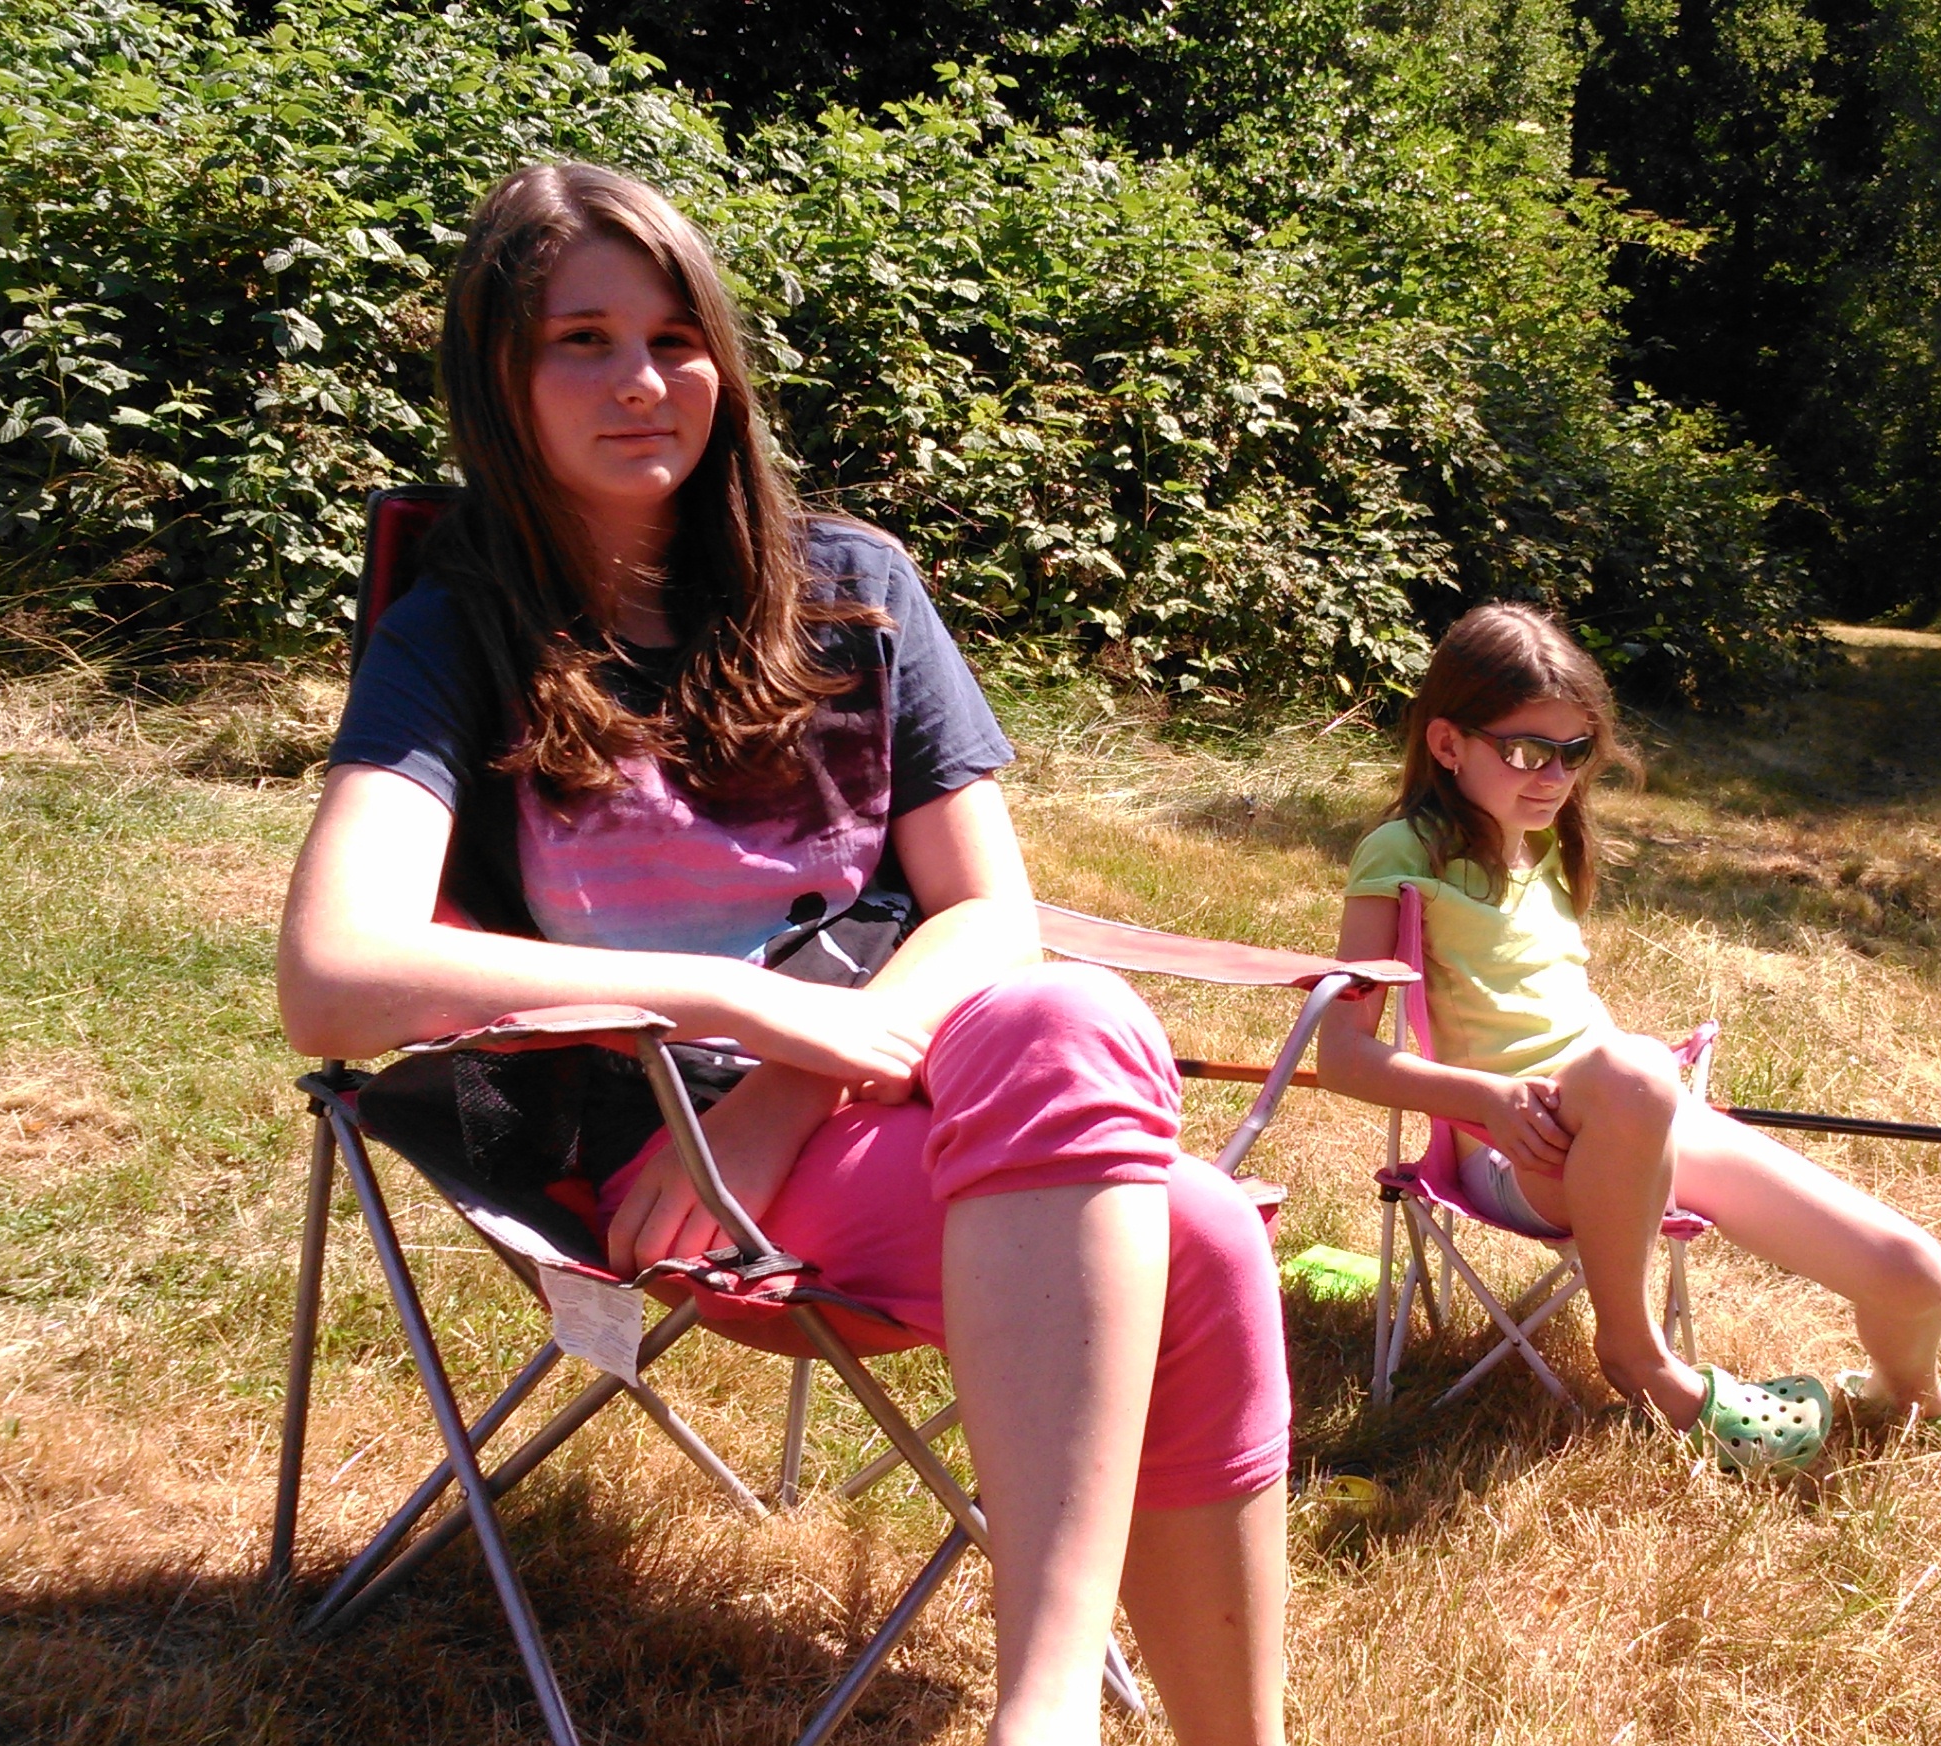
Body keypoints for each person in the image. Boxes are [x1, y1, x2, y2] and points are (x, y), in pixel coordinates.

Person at [273, 163, 1288, 1746]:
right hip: (657, 1145)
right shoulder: (456, 635)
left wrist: (795, 1083)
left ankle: (1053, 1718)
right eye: (583, 341)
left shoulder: (853, 592)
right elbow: (332, 972)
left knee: (1069, 1003)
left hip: (883, 1089)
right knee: (1204, 1237)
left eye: (675, 337)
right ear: (499, 374)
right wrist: (729, 1008)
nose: (640, 380)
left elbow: (987, 911)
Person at [1316, 603, 1941, 1478]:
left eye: (1574, 751)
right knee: (1631, 1065)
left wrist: (1641, 1097)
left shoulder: (1542, 846)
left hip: (1627, 1117)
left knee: (1912, 1270)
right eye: (1526, 752)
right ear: (1447, 743)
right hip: (1516, 1150)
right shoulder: (1402, 851)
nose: (1554, 776)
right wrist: (1490, 1098)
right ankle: (1638, 1357)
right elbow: (1343, 1055)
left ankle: (1913, 1399)